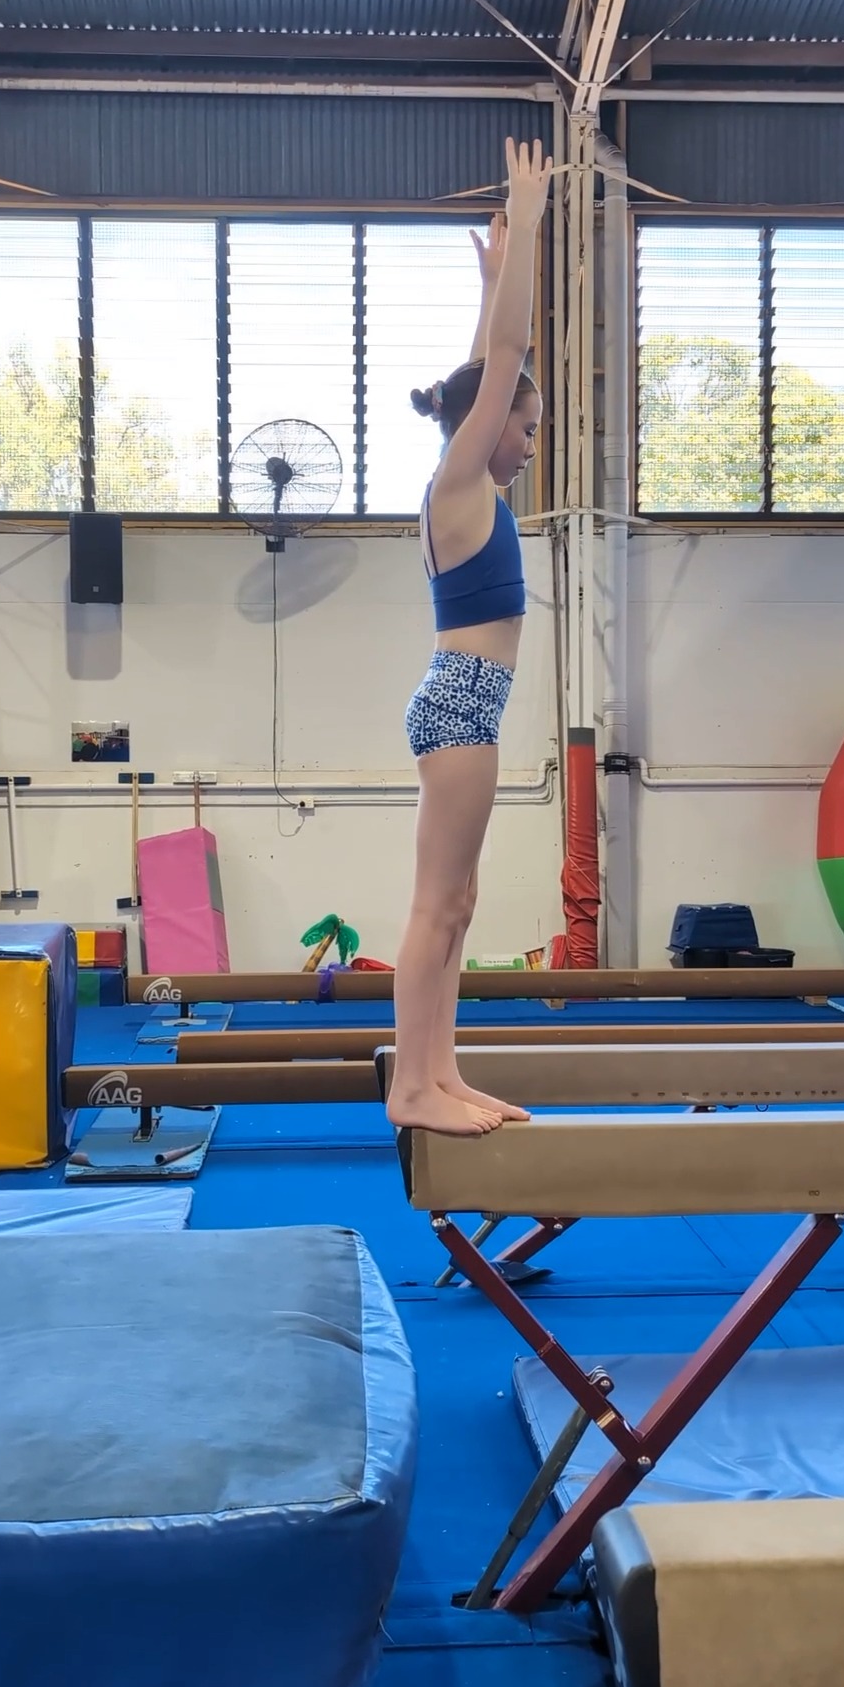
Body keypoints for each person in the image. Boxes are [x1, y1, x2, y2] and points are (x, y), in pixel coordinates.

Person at [387, 136, 552, 1137]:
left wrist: (489, 284)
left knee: (459, 909)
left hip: (464, 708)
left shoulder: (461, 480)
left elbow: (481, 373)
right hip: (457, 708)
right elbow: (499, 365)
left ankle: (440, 1074)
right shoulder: (456, 483)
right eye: (525, 429)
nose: (528, 445)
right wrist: (525, 228)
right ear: (483, 430)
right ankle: (412, 1087)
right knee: (435, 905)